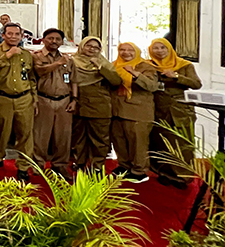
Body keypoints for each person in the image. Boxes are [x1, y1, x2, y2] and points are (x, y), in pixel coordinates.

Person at [0, 22, 37, 181]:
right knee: (0, 131)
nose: (13, 37)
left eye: (17, 34)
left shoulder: (26, 54)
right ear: (3, 35)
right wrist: (7, 55)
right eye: (10, 34)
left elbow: (31, 77)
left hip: (24, 98)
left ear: (21, 36)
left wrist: (34, 99)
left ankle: (23, 166)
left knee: (25, 133)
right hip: (2, 97)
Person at [148, 38, 202, 188]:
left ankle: (183, 177)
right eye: (155, 48)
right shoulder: (148, 65)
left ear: (169, 49)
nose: (159, 51)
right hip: (158, 109)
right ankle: (164, 173)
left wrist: (176, 76)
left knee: (182, 144)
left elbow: (196, 84)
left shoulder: (184, 65)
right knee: (160, 143)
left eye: (163, 47)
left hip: (180, 110)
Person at [72, 36, 122, 172]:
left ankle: (97, 166)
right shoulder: (72, 61)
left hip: (99, 106)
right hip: (78, 104)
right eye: (88, 46)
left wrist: (100, 67)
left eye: (96, 47)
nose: (92, 49)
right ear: (82, 46)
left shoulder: (104, 63)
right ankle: (79, 162)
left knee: (99, 138)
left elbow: (116, 81)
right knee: (78, 137)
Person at [111, 42, 159, 183]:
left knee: (138, 143)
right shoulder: (114, 65)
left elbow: (152, 86)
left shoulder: (146, 66)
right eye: (122, 49)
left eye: (130, 50)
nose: (126, 53)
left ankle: (139, 171)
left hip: (138, 111)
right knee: (119, 140)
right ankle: (124, 166)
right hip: (116, 109)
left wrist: (134, 73)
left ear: (137, 51)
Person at [32, 28, 77, 178]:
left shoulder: (68, 59)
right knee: (40, 136)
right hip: (43, 99)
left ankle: (60, 165)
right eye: (50, 38)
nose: (54, 41)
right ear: (43, 40)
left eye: (58, 39)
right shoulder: (36, 56)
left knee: (63, 136)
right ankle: (38, 166)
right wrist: (58, 63)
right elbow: (39, 72)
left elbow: (73, 80)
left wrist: (74, 99)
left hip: (64, 101)